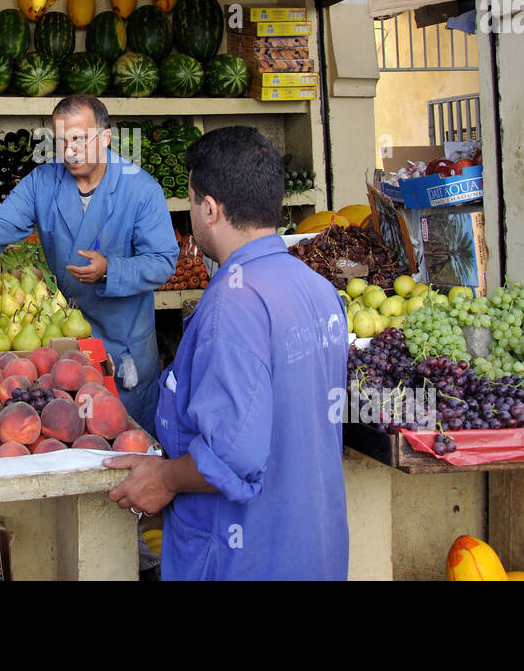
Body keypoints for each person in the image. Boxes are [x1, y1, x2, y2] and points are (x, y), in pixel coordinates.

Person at [104, 126, 349, 580]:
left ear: (210, 209)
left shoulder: (232, 306)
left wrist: (164, 479)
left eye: (193, 200)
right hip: (314, 550)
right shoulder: (319, 290)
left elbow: (232, 456)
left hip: (245, 557)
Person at [0, 95, 177, 431]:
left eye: (79, 139)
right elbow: (1, 221)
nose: (68, 151)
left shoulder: (140, 189)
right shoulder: (44, 182)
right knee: (69, 429)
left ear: (105, 138)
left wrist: (111, 269)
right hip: (62, 336)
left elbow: (163, 262)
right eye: (61, 140)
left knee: (128, 435)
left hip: (121, 341)